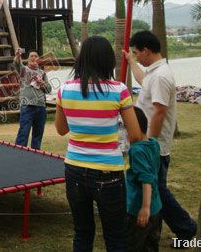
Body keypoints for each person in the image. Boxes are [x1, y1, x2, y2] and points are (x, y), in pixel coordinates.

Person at [55, 36, 140, 252]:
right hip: (108, 172)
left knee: (82, 233)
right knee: (115, 236)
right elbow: (136, 135)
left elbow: (61, 129)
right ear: (108, 60)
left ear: (81, 59)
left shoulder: (64, 89)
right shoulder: (118, 90)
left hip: (74, 168)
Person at [124, 31, 197, 244]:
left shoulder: (161, 76)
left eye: (137, 53)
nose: (136, 56)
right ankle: (183, 227)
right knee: (156, 188)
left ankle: (186, 228)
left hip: (154, 145)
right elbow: (142, 79)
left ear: (146, 50)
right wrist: (130, 62)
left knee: (158, 190)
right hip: (150, 143)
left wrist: (149, 144)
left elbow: (159, 112)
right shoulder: (154, 74)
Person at [126, 106, 162, 252]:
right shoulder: (153, 143)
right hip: (156, 208)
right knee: (151, 246)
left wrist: (144, 208)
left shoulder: (136, 150)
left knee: (132, 246)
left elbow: (146, 179)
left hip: (139, 210)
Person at [13, 48, 52, 150]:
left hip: (41, 107)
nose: (34, 58)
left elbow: (49, 90)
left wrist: (42, 84)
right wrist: (18, 55)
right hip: (27, 107)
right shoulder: (24, 70)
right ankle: (19, 155)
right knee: (23, 133)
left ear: (39, 59)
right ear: (28, 59)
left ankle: (35, 155)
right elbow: (17, 64)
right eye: (31, 56)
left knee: (38, 135)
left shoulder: (42, 73)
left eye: (36, 56)